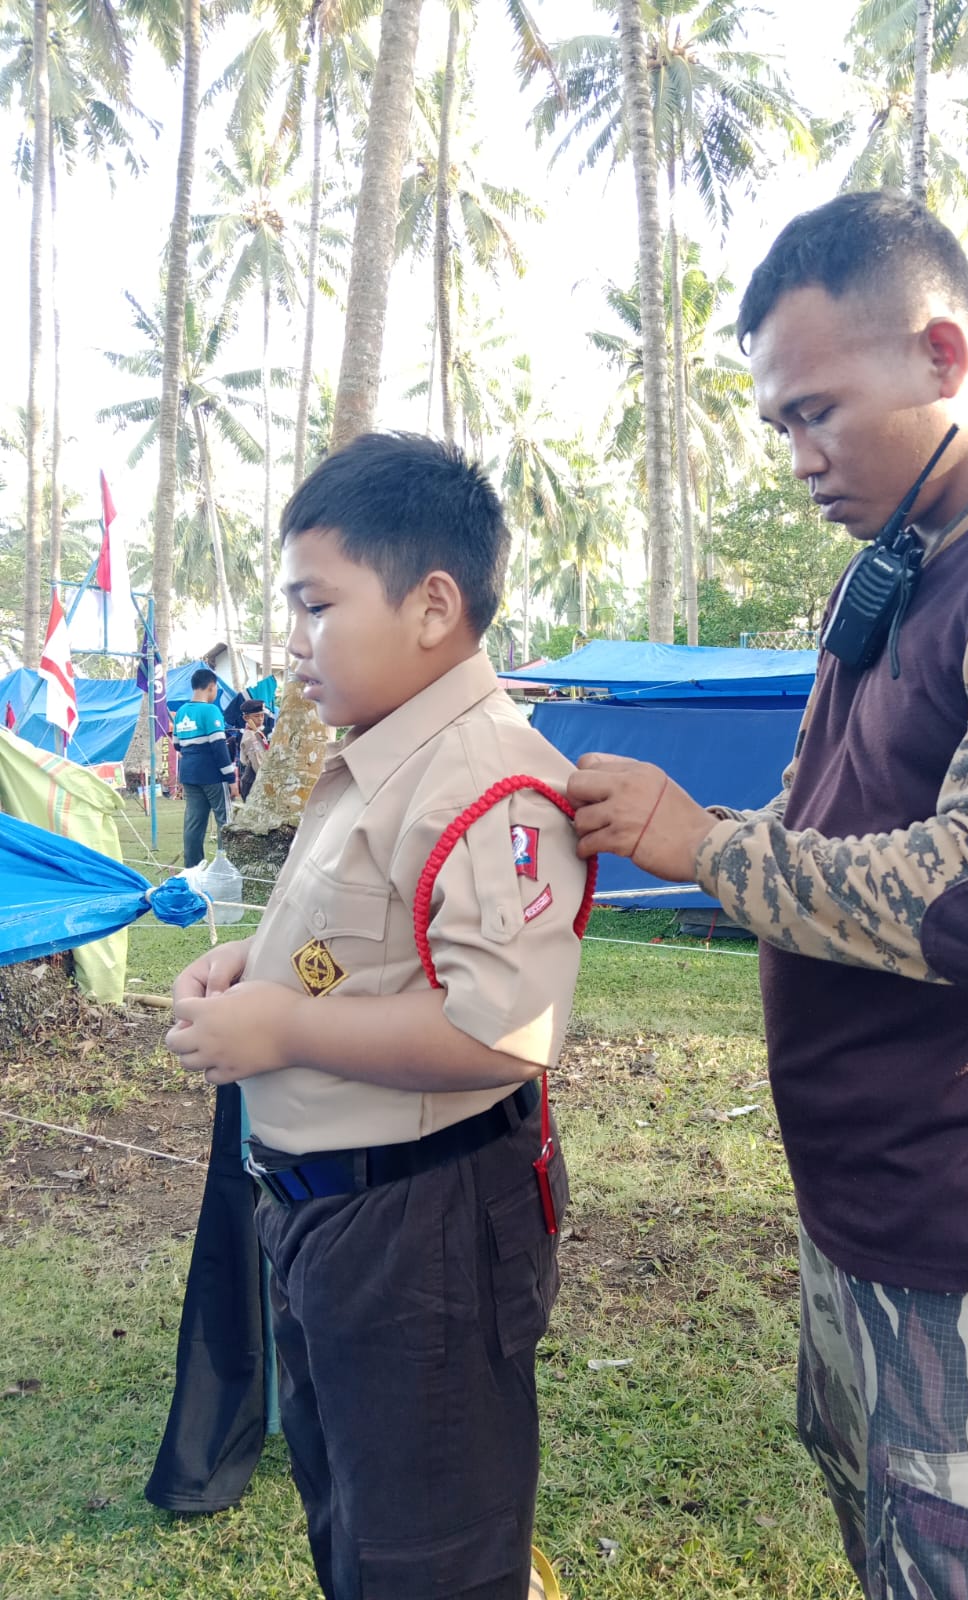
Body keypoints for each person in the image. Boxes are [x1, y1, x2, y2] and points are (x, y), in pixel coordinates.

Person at [566, 191, 968, 1600]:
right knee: (888, 1533)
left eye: (818, 412)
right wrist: (707, 829)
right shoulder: (895, 561)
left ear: (944, 356)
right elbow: (832, 817)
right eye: (778, 424)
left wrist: (706, 851)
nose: (798, 456)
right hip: (862, 1180)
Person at [164, 431, 586, 1600]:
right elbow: (352, 942)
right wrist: (256, 968)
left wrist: (284, 1033)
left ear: (432, 604)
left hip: (425, 1230)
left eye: (315, 605)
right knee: (357, 1520)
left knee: (431, 1556)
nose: (291, 644)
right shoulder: (382, 761)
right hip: (331, 1220)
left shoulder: (488, 779)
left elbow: (498, 1036)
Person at [173, 666, 238, 868]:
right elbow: (219, 747)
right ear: (211, 687)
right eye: (216, 689)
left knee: (194, 823)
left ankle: (193, 869)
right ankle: (224, 866)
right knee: (224, 821)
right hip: (212, 775)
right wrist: (231, 779)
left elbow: (177, 744)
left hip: (189, 774)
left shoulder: (181, 712)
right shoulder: (211, 711)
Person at [237, 698, 268, 801]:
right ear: (246, 718)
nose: (260, 719)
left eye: (262, 715)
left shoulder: (257, 732)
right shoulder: (250, 737)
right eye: (256, 716)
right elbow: (257, 764)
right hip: (253, 780)